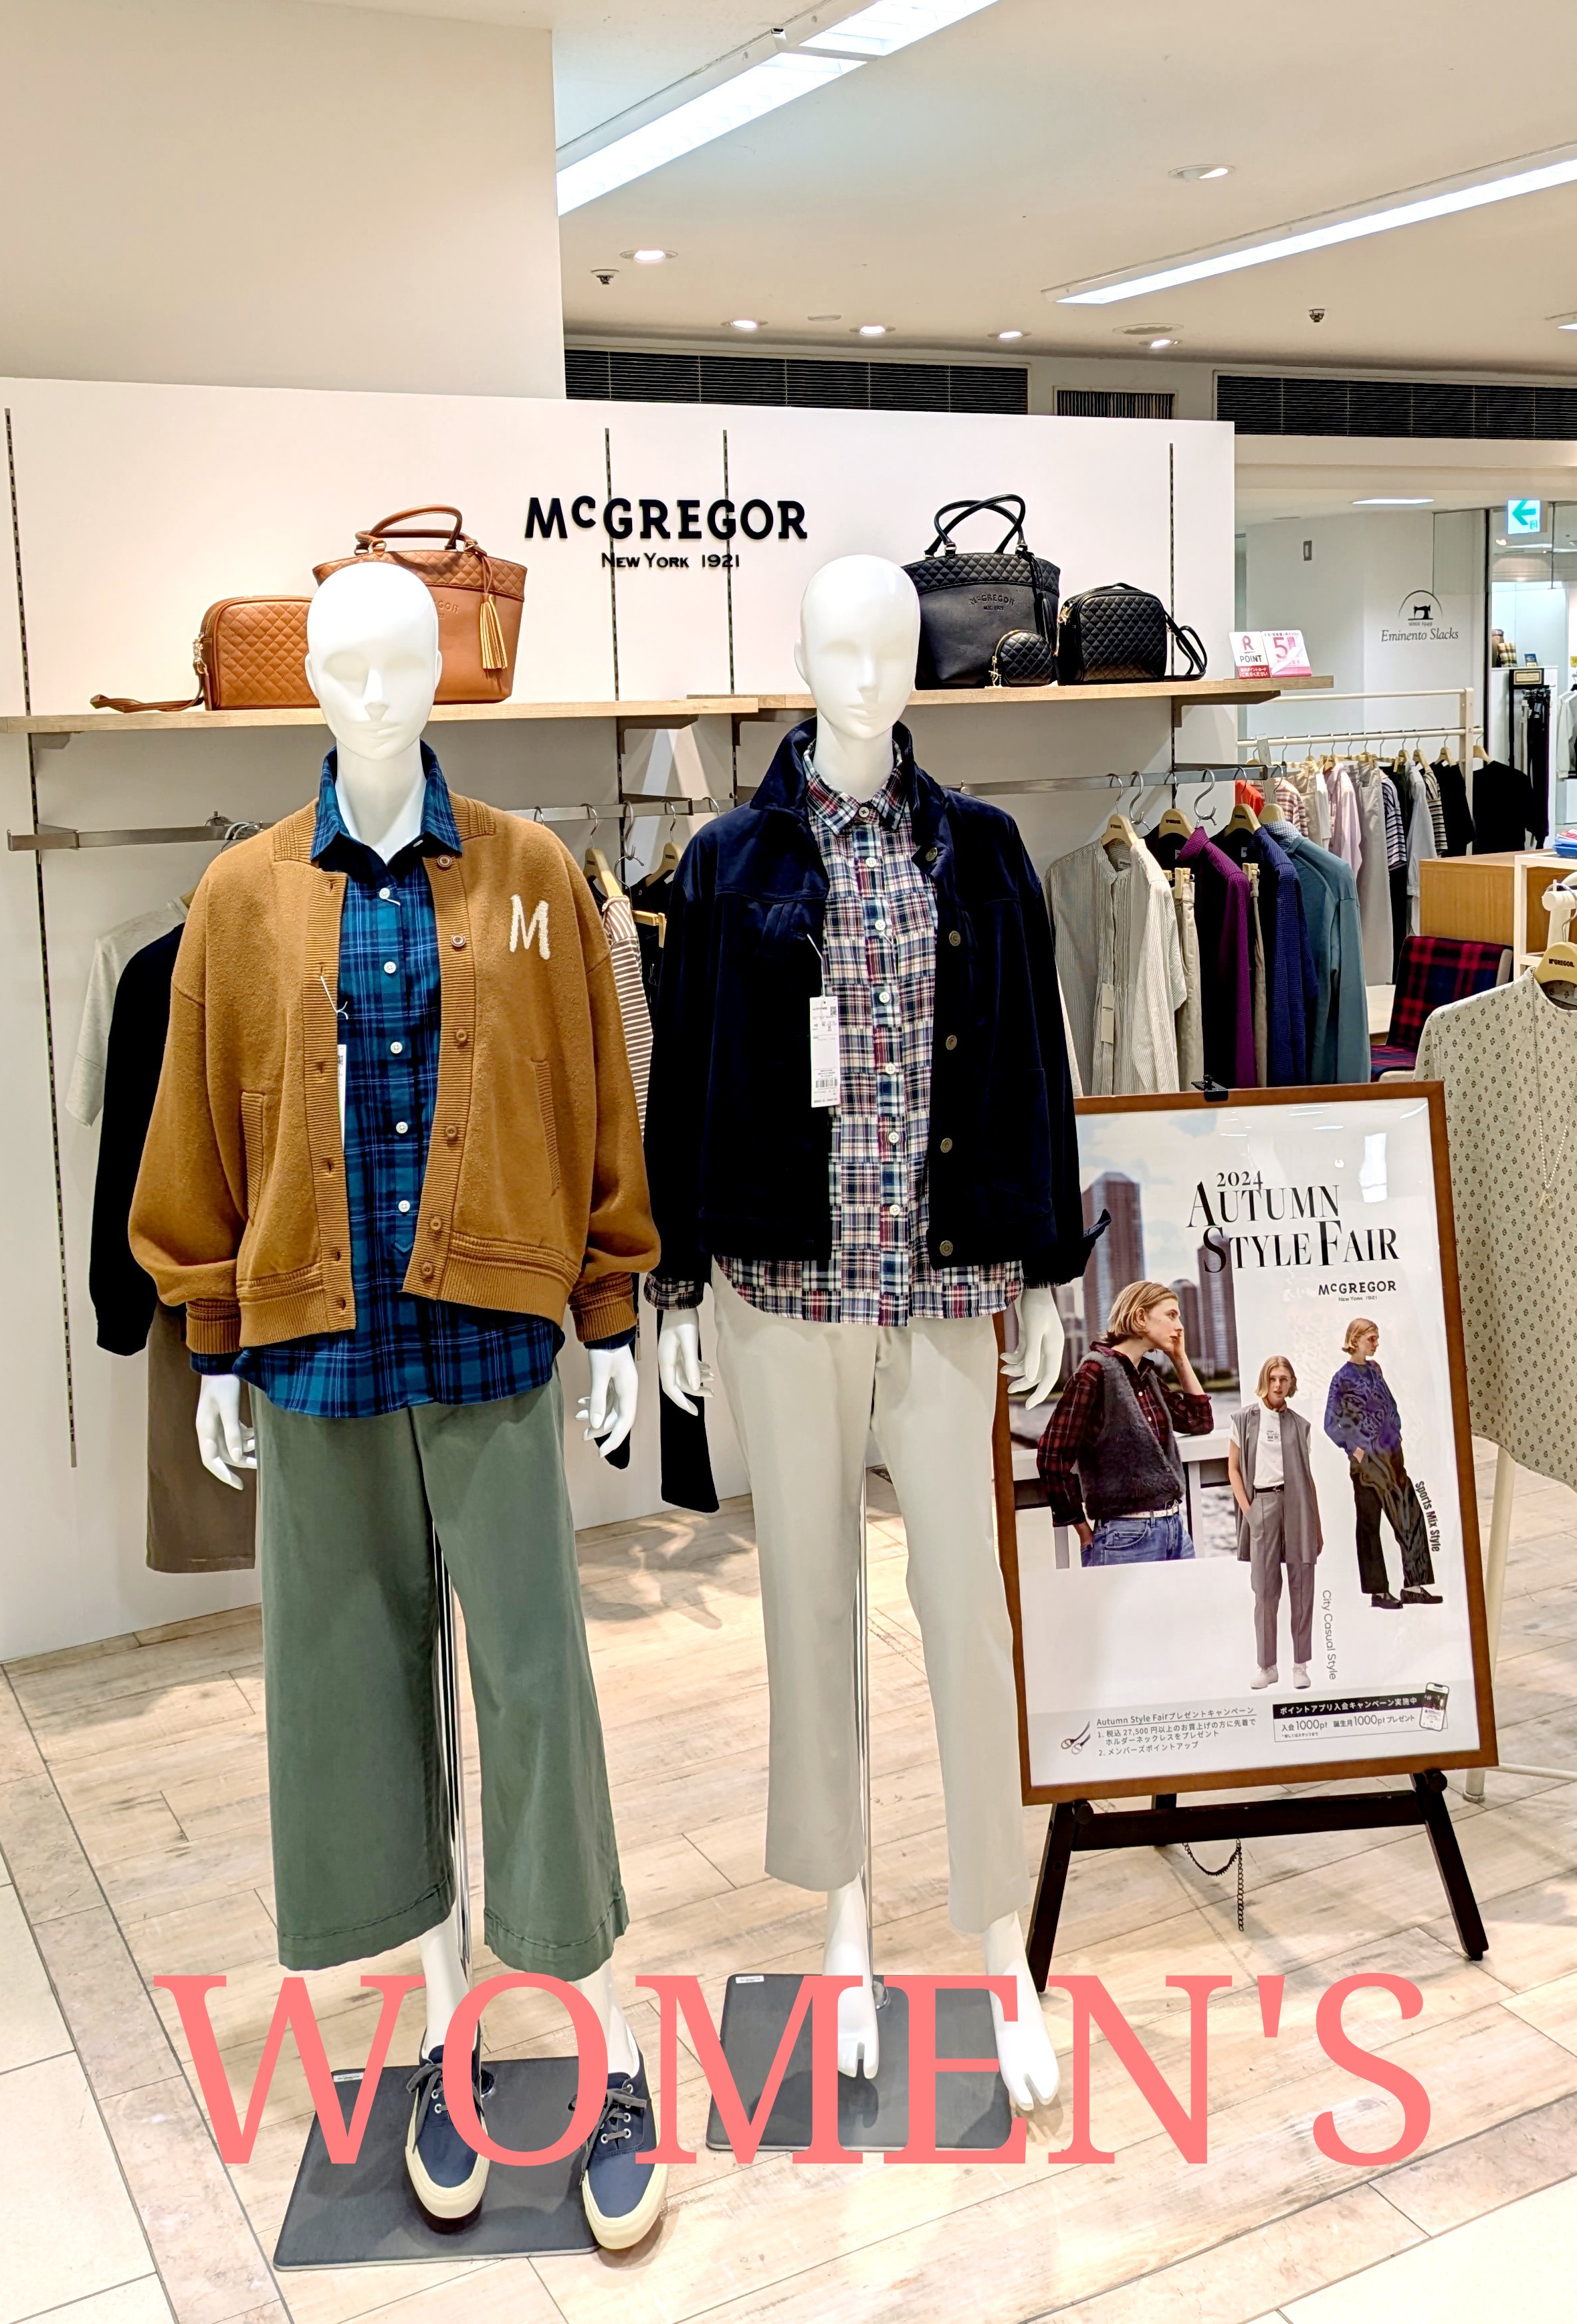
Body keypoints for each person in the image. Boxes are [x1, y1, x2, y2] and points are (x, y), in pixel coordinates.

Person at [1038, 1280, 1214, 1564]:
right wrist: (1083, 1531)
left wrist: (1179, 1358)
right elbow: (1052, 1456)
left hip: (1174, 1530)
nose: (1179, 1326)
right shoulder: (1094, 1372)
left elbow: (1199, 1421)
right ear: (1140, 1317)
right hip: (1126, 1537)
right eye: (1171, 1315)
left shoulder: (1145, 1376)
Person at [1323, 1318, 1441, 1609]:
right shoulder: (1342, 1378)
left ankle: (1413, 1586)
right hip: (1366, 1464)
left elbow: (1389, 1408)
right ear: (1356, 1340)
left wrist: (1396, 1435)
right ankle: (1378, 1592)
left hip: (1392, 1458)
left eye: (1377, 1338)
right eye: (1371, 1339)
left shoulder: (1375, 1370)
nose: (1376, 1344)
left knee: (1411, 1515)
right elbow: (1331, 1422)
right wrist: (1354, 1449)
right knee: (1370, 1524)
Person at [1229, 1356, 1322, 1692]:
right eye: (1273, 1378)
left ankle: (1300, 1665)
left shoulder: (1301, 1425)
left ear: (1291, 1383)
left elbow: (1308, 1478)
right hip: (1263, 1503)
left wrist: (1317, 1524)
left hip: (1298, 1505)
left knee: (1303, 1583)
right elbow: (1233, 1470)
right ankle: (1267, 1666)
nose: (1279, 1385)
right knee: (1265, 1589)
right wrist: (1249, 1511)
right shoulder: (1244, 1419)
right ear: (1265, 1381)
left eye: (1285, 1379)